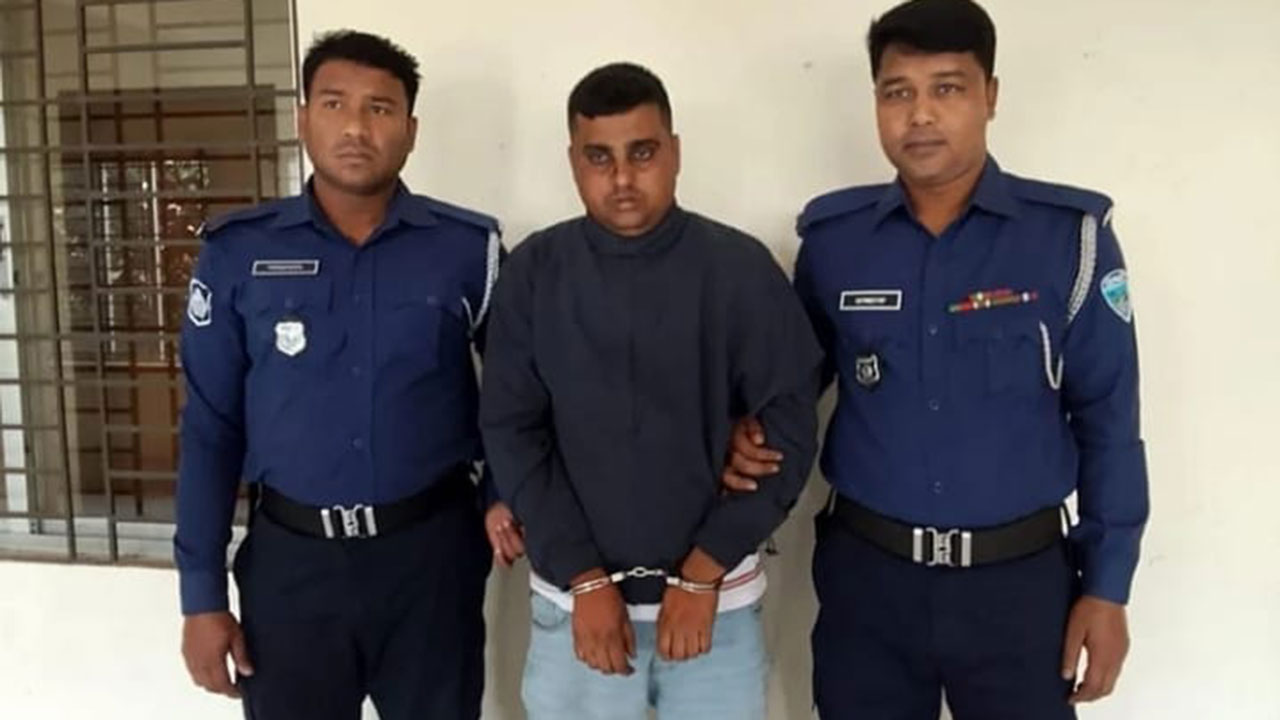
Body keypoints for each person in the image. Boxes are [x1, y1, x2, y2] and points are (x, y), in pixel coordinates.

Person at [724, 1, 1149, 717]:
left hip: (1020, 588)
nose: (920, 114)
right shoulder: (834, 242)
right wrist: (748, 428)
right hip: (870, 582)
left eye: (947, 88)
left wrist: (1108, 588)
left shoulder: (1067, 240)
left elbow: (1108, 421)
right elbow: (792, 387)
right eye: (898, 92)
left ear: (991, 96)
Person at [175, 30, 502, 719]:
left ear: (410, 130)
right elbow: (210, 428)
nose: (356, 127)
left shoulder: (467, 250)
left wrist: (503, 497)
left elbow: (519, 394)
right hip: (291, 568)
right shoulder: (239, 253)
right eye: (334, 104)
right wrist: (201, 596)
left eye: (380, 108)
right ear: (303, 118)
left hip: (431, 563)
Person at [479, 62, 821, 720]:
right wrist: (585, 579)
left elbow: (790, 424)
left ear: (675, 151)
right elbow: (512, 430)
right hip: (575, 609)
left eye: (642, 153)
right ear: (573, 161)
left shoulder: (739, 268)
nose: (622, 178)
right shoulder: (535, 274)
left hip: (716, 608)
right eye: (598, 157)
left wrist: (704, 571)